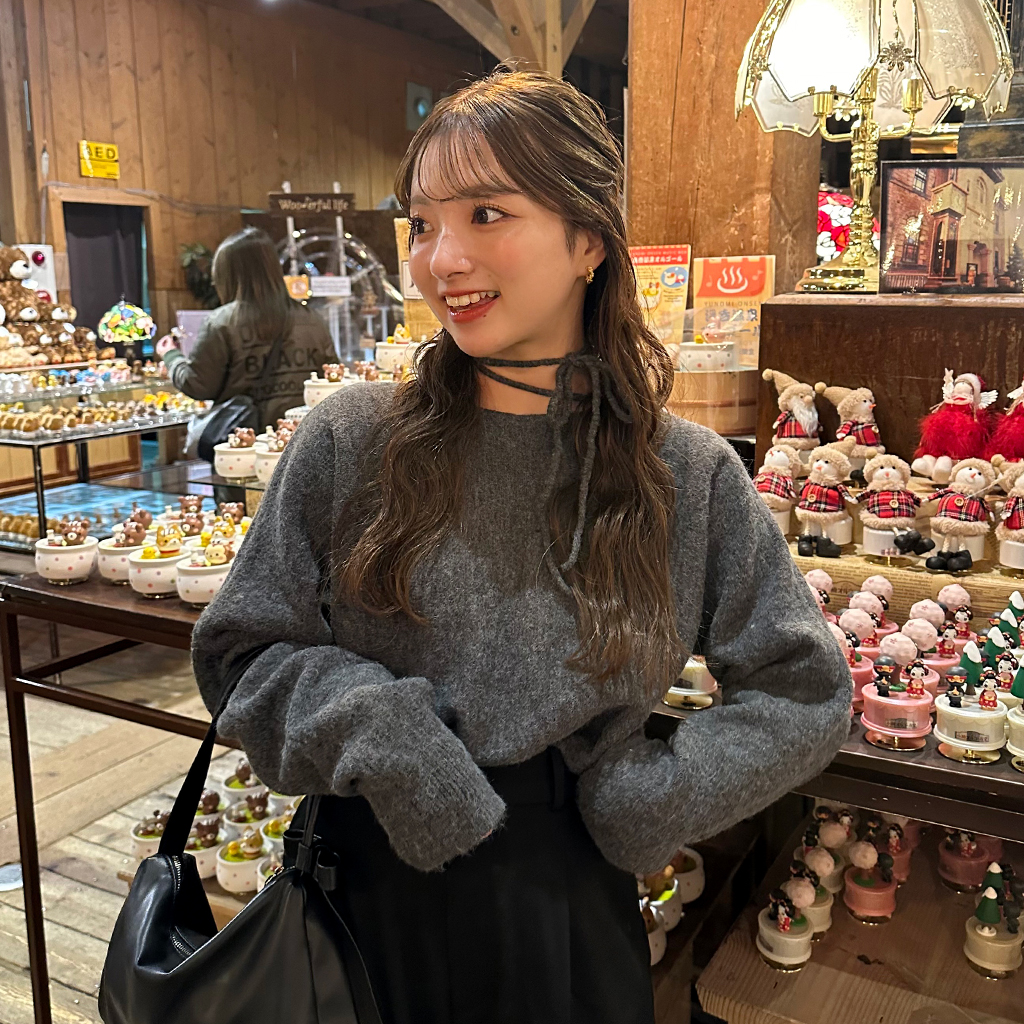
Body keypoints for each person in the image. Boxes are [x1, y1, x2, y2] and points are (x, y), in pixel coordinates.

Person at [191, 68, 851, 1024]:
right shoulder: (351, 438)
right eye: (422, 225)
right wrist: (385, 735)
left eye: (487, 214)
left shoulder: (684, 472)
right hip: (359, 889)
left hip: (566, 904)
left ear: (589, 239)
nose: (441, 259)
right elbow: (239, 651)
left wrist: (654, 799)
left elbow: (805, 690)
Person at [155, 227, 333, 428]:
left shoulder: (221, 323)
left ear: (226, 276)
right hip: (302, 435)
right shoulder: (312, 319)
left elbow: (198, 385)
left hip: (244, 439)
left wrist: (171, 356)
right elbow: (331, 377)